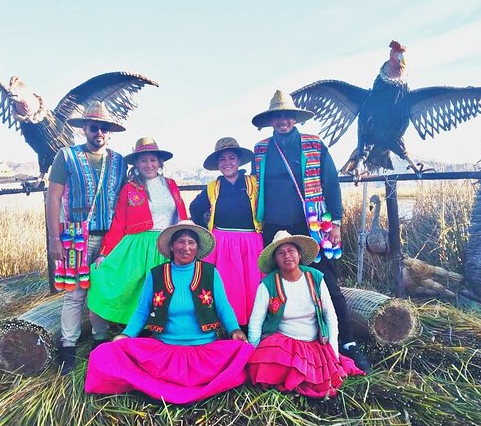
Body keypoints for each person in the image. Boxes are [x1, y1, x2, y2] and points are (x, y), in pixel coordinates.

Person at [251, 90, 371, 372]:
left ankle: (346, 342)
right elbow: (254, 188)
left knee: (326, 280)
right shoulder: (261, 150)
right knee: (278, 283)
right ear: (271, 120)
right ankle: (281, 337)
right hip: (274, 228)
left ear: (295, 118)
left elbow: (330, 183)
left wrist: (337, 223)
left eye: (287, 116)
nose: (283, 121)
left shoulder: (313, 144)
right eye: (277, 116)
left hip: (313, 225)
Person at [85, 221, 254, 404]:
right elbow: (142, 311)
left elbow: (224, 307)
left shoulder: (209, 272)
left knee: (244, 351)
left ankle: (166, 389)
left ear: (197, 248)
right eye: (181, 242)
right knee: (104, 354)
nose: (186, 247)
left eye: (191, 243)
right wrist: (127, 335)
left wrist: (235, 330)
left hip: (204, 353)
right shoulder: (156, 274)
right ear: (172, 246)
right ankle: (178, 389)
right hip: (164, 353)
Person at [46, 101, 127, 374]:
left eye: (104, 128)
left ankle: (100, 339)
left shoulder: (119, 161)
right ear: (84, 129)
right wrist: (54, 239)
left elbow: (126, 200)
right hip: (74, 236)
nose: (99, 133)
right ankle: (68, 347)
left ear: (110, 132)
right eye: (94, 127)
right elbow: (53, 197)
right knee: (74, 294)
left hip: (110, 240)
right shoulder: (66, 156)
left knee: (101, 289)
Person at [247, 231, 364, 398]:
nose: (287, 256)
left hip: (313, 345)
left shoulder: (315, 277)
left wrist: (333, 351)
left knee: (321, 379)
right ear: (275, 260)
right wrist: (254, 353)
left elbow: (330, 316)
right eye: (281, 253)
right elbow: (256, 322)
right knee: (265, 366)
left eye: (291, 251)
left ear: (299, 254)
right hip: (283, 344)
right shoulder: (268, 284)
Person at [87, 137, 187, 326]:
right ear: (137, 164)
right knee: (136, 288)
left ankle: (165, 331)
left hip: (167, 245)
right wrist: (104, 253)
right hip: (138, 247)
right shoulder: (130, 189)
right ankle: (133, 332)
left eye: (153, 160)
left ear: (159, 162)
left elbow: (182, 215)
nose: (148, 164)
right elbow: (118, 223)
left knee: (166, 289)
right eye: (143, 160)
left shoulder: (171, 184)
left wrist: (187, 240)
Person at [189, 137, 264, 326]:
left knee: (252, 284)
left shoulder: (253, 184)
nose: (227, 163)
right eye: (222, 159)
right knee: (228, 285)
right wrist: (206, 231)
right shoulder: (213, 187)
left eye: (231, 158)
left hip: (251, 242)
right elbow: (195, 209)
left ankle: (251, 324)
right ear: (217, 164)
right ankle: (226, 323)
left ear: (239, 161)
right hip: (223, 244)